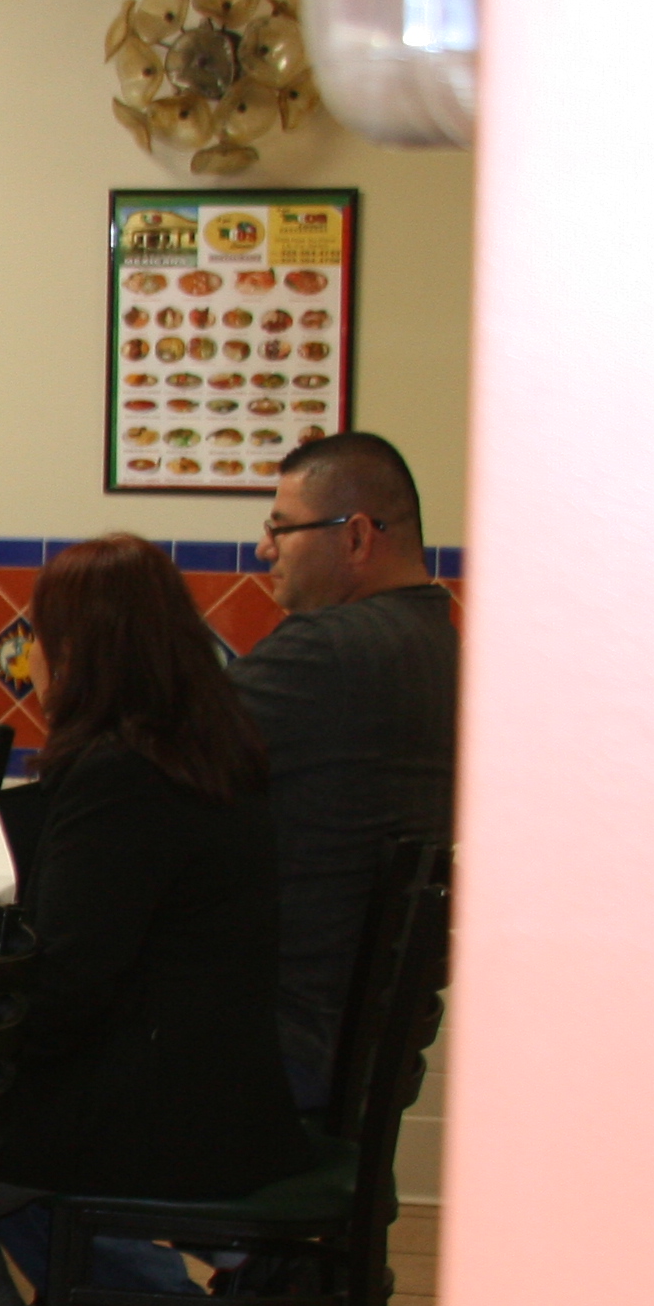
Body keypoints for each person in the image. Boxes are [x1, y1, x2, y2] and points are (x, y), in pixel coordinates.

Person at [0, 533, 317, 1306]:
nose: (28, 655)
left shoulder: (120, 776)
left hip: (164, 1106)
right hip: (217, 1082)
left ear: (81, 651)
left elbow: (67, 984)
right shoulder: (200, 749)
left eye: (38, 634)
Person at [230, 432, 459, 1113]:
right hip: (359, 1046)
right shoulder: (439, 645)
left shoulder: (328, 650)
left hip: (283, 1047)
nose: (264, 549)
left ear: (356, 536)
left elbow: (150, 754)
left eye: (280, 528)